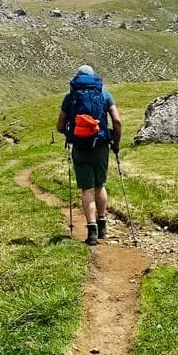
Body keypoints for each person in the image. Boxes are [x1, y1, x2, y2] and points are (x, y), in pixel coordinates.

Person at [56, 64, 122, 247]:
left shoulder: (70, 98)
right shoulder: (104, 94)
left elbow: (60, 126)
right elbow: (117, 121)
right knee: (100, 185)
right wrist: (115, 144)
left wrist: (72, 134)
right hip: (100, 146)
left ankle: (91, 231)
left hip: (80, 147)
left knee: (87, 189)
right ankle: (103, 226)